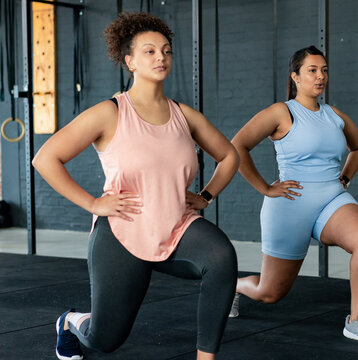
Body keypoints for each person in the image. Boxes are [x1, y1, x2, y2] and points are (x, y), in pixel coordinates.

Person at [33, 12, 239, 360]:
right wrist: (93, 204)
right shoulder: (110, 112)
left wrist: (205, 196)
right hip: (122, 233)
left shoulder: (183, 115)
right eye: (149, 51)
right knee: (105, 340)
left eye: (166, 50)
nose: (161, 57)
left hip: (176, 226)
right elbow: (45, 158)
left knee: (222, 258)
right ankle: (70, 322)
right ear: (129, 61)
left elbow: (229, 156)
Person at [230, 45, 358, 347]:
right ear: (295, 76)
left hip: (331, 200)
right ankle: (232, 287)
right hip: (290, 205)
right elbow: (237, 146)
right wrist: (265, 187)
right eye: (312, 70)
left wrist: (346, 177)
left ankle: (356, 321)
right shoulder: (282, 112)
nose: (320, 76)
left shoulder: (334, 115)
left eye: (324, 70)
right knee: (270, 293)